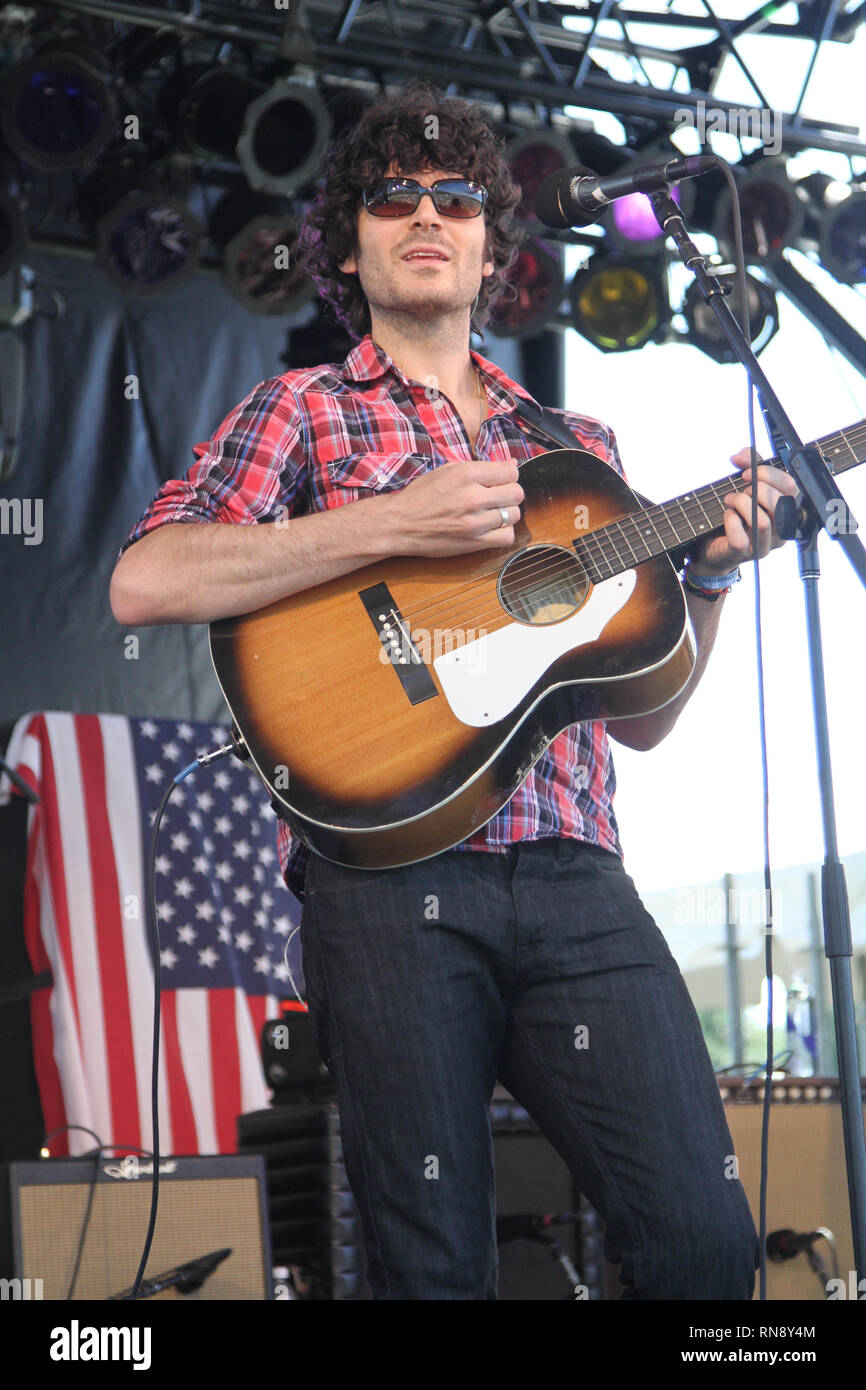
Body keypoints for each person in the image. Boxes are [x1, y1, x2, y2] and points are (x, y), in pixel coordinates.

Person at [110, 81, 799, 1300]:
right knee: (432, 1271)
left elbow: (636, 718)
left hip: (576, 877)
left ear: (492, 243)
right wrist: (385, 524)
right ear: (350, 242)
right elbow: (147, 579)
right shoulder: (303, 409)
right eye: (392, 198)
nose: (425, 214)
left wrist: (707, 582)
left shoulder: (573, 442)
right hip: (388, 879)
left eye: (455, 197)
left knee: (703, 1244)